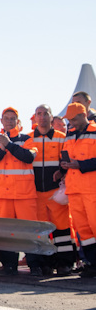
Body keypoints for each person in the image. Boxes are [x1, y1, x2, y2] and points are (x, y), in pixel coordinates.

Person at [0, 107, 38, 275]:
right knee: (6, 232)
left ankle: (35, 265)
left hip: (24, 193)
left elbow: (28, 157)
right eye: (6, 118)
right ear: (1, 121)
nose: (9, 121)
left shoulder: (26, 139)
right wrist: (2, 149)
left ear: (17, 121)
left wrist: (9, 145)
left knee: (29, 230)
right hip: (2, 194)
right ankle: (9, 266)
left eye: (12, 118)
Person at [29, 104, 74, 276]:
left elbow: (67, 160)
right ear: (35, 117)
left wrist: (61, 171)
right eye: (39, 114)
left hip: (55, 192)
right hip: (36, 193)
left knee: (62, 230)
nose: (42, 117)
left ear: (51, 116)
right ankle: (45, 263)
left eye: (45, 113)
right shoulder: (28, 139)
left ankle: (65, 264)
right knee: (41, 231)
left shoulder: (62, 138)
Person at [58, 103, 96, 278]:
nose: (71, 123)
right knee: (83, 229)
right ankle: (92, 264)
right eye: (70, 120)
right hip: (74, 189)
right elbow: (66, 156)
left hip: (91, 189)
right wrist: (63, 168)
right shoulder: (70, 134)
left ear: (84, 115)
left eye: (74, 119)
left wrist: (80, 164)